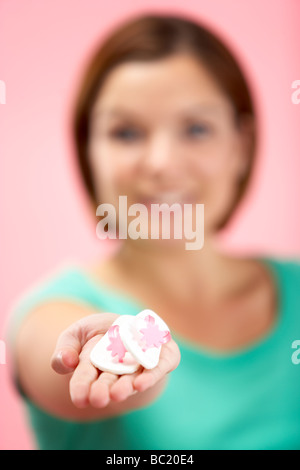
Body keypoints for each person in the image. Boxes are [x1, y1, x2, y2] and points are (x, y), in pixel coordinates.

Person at [7, 13, 300, 450]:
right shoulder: (51, 312)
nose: (161, 162)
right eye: (126, 132)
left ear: (241, 145)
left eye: (196, 129)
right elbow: (55, 355)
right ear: (89, 151)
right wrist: (119, 358)